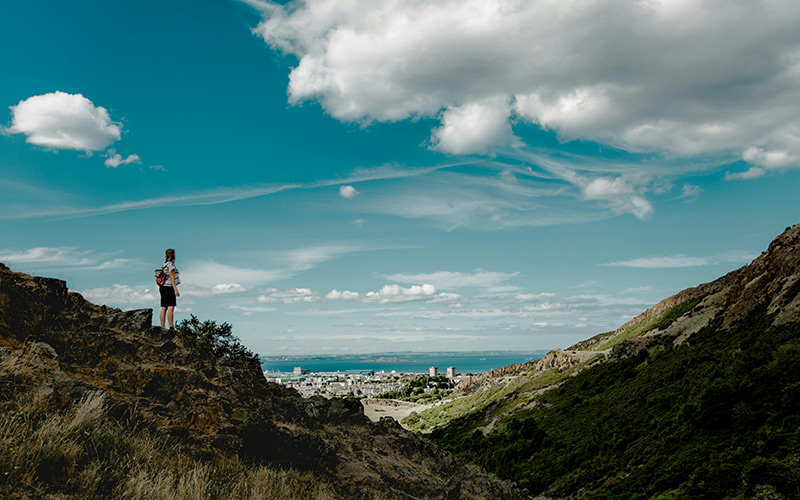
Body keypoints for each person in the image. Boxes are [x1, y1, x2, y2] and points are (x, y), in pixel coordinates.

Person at [159, 248, 181, 330]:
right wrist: (176, 290)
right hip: (169, 287)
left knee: (164, 306)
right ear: (173, 255)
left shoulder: (164, 265)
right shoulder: (171, 265)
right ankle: (171, 326)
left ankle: (162, 326)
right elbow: (172, 278)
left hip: (162, 287)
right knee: (171, 306)